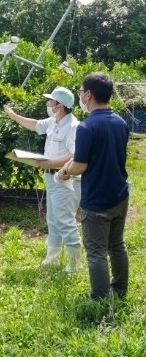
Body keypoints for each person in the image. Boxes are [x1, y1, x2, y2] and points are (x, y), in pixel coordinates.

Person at [58, 72, 130, 300]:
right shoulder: (120, 122)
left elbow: (80, 165)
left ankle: (99, 299)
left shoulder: (87, 127)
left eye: (81, 91)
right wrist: (72, 164)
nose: (80, 95)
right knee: (117, 245)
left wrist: (65, 171)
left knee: (96, 252)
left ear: (88, 95)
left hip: (97, 200)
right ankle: (119, 290)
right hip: (119, 195)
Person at [3, 87, 82, 272]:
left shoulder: (73, 126)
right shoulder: (54, 121)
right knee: (53, 221)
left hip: (66, 179)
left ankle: (75, 265)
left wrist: (51, 162)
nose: (48, 104)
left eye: (51, 102)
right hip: (51, 178)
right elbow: (34, 124)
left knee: (65, 221)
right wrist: (13, 115)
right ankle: (52, 259)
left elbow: (75, 154)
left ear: (60, 106)